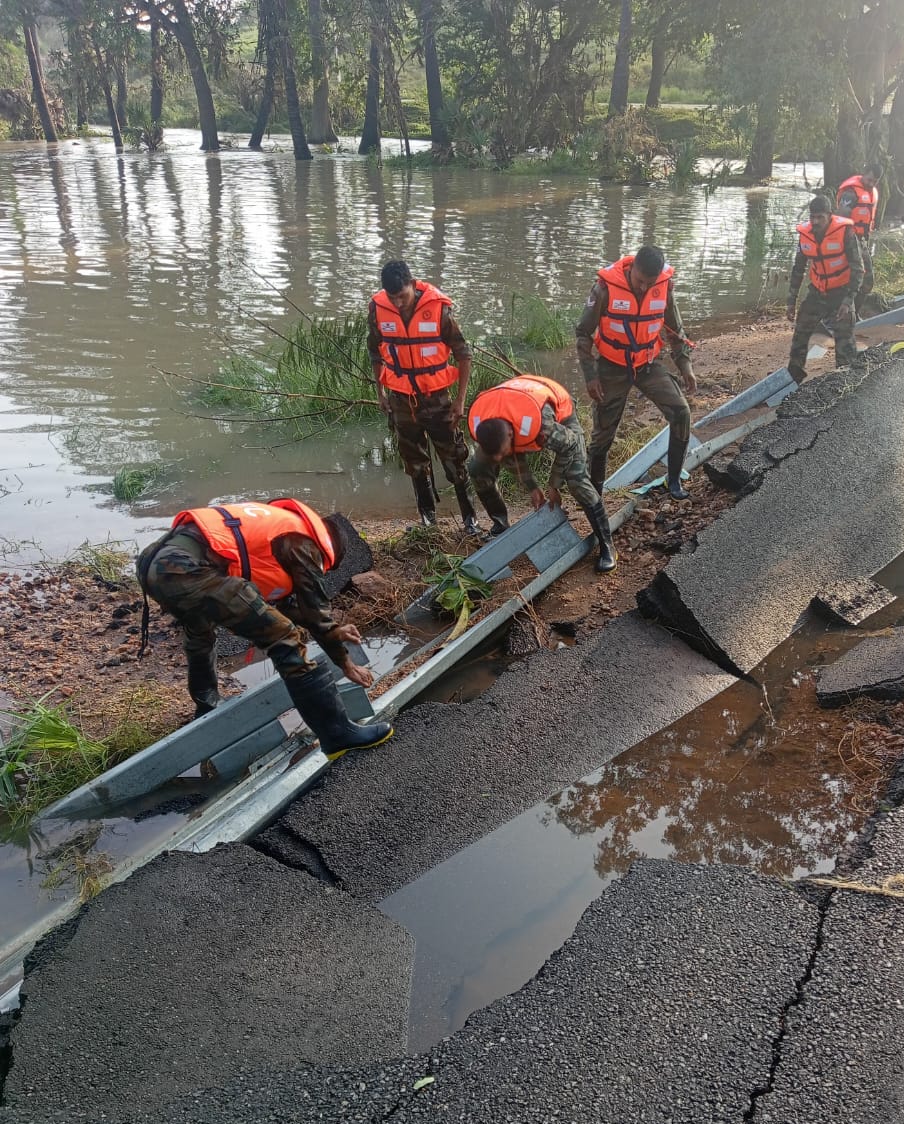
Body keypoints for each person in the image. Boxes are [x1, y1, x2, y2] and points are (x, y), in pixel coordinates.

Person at [136, 498, 393, 759]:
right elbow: (315, 612)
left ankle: (208, 707)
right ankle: (338, 735)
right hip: (184, 568)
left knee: (200, 633)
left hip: (157, 564)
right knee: (284, 637)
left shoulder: (281, 530)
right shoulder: (305, 543)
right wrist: (345, 663)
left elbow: (282, 609)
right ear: (330, 549)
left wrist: (334, 631)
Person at [367, 260, 483, 536]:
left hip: (436, 400)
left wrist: (460, 401)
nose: (397, 303)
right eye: (392, 298)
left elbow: (463, 354)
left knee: (454, 458)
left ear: (413, 284)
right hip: (401, 400)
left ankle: (470, 519)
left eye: (402, 297)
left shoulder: (439, 310)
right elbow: (375, 351)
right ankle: (428, 520)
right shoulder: (378, 310)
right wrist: (380, 392)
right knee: (414, 462)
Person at [575, 245, 697, 500]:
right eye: (640, 281)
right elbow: (583, 333)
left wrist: (685, 367)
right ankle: (593, 497)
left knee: (681, 412)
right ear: (632, 269)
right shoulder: (605, 289)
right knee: (602, 438)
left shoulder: (664, 287)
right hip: (611, 366)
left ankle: (673, 482)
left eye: (649, 283)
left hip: (647, 364)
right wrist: (591, 376)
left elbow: (675, 330)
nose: (643, 288)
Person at [467, 374, 617, 573]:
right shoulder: (483, 423)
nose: (501, 459)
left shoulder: (542, 427)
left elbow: (570, 445)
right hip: (511, 408)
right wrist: (533, 488)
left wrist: (554, 485)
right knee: (476, 467)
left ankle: (607, 546)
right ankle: (501, 526)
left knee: (577, 483)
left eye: (502, 453)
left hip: (561, 415)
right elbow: (511, 456)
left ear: (511, 435)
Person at [786, 194, 863, 385]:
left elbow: (858, 268)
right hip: (817, 293)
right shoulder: (806, 235)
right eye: (813, 217)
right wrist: (791, 300)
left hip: (841, 293)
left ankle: (846, 382)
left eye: (820, 217)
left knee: (844, 342)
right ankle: (793, 380)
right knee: (800, 335)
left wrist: (848, 300)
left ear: (830, 215)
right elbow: (798, 269)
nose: (815, 221)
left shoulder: (845, 232)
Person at [837, 160, 883, 314]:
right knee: (855, 277)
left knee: (867, 281)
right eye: (869, 180)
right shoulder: (850, 193)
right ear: (863, 174)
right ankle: (844, 315)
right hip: (848, 240)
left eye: (874, 182)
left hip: (861, 240)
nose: (871, 184)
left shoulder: (872, 192)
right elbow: (841, 218)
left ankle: (854, 313)